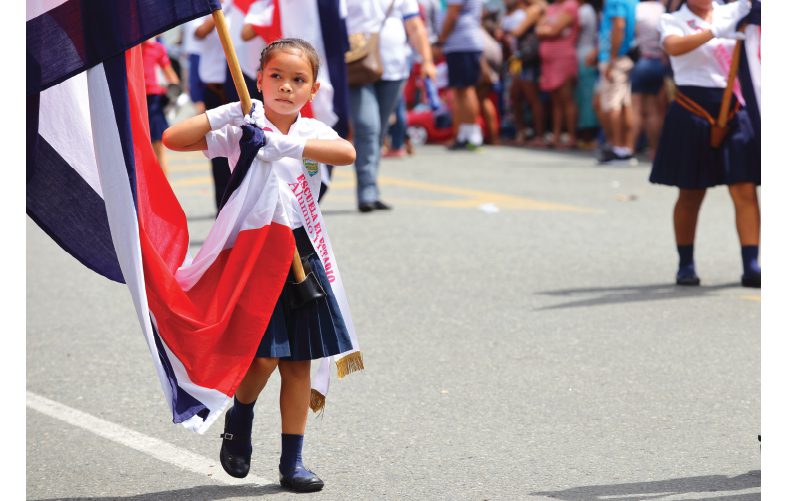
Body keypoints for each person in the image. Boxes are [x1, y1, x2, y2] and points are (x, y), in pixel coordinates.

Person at [161, 38, 358, 491]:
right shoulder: (242, 127)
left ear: (313, 89)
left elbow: (347, 154)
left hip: (300, 255)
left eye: (298, 80)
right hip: (255, 254)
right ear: (259, 79)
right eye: (276, 77)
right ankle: (241, 415)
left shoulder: (311, 131)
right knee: (266, 356)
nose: (286, 87)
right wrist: (230, 113)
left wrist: (285, 146)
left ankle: (293, 462)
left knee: (299, 363)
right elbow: (174, 139)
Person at [648, 0, 759, 287]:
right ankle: (686, 263)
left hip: (734, 104)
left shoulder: (732, 11)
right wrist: (714, 32)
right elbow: (673, 47)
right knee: (691, 191)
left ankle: (752, 264)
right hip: (692, 107)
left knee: (744, 187)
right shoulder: (673, 20)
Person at [346, 0, 436, 212]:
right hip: (358, 67)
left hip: (394, 69)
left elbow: (414, 26)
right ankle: (366, 192)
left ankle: (372, 188)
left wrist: (427, 60)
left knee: (380, 131)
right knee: (368, 127)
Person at [596, 0, 639, 164]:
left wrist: (612, 58)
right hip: (627, 56)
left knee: (612, 104)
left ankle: (617, 148)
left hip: (615, 58)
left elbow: (619, 26)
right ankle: (626, 149)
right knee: (625, 103)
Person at [439, 0, 485, 150]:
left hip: (463, 43)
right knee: (459, 91)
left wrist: (440, 38)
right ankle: (462, 135)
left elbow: (452, 13)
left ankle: (473, 135)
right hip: (461, 44)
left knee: (466, 89)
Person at [536, 0, 580, 149]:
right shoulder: (552, 7)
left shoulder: (570, 5)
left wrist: (546, 29)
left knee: (566, 98)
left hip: (564, 58)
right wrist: (545, 29)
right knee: (555, 101)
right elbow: (539, 29)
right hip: (549, 61)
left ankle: (572, 137)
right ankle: (556, 136)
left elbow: (553, 30)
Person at [630, 0, 668, 160]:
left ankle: (628, 147)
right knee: (654, 110)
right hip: (660, 61)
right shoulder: (663, 10)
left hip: (644, 60)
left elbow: (632, 33)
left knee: (636, 108)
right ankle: (654, 149)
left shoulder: (639, 9)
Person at [142, 37, 180, 173]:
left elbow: (173, 78)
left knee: (158, 148)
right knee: (142, 149)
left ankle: (163, 190)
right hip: (138, 99)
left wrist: (171, 97)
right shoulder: (130, 49)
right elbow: (173, 79)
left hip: (153, 100)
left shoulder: (157, 48)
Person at [575, 0, 600, 148]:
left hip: (585, 56)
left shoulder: (585, 10)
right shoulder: (587, 9)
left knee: (586, 98)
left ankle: (588, 136)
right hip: (585, 55)